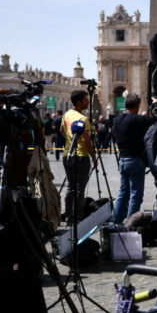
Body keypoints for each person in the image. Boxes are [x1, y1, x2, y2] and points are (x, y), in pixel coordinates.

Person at [111, 93, 156, 224]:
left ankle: (115, 222)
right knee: (135, 196)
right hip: (135, 160)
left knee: (122, 194)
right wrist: (155, 104)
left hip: (122, 160)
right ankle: (131, 224)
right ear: (137, 106)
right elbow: (156, 119)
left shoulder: (117, 120)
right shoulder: (137, 119)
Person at [61, 90, 96, 223]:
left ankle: (68, 215)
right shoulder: (82, 119)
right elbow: (86, 140)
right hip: (81, 156)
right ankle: (78, 216)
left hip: (67, 154)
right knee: (80, 188)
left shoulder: (66, 114)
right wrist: (93, 157)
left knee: (71, 187)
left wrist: (70, 140)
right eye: (86, 100)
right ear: (79, 102)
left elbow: (61, 130)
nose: (88, 102)